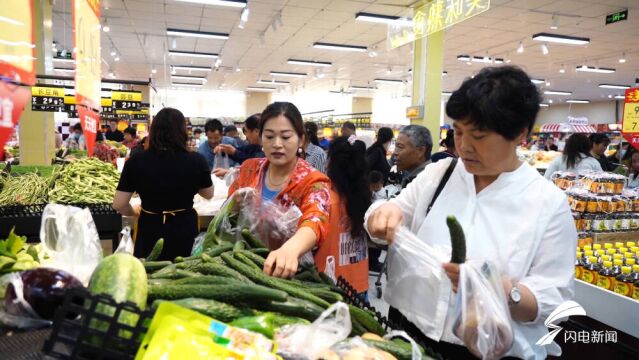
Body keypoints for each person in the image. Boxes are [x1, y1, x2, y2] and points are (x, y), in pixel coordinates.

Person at [365, 66, 576, 360]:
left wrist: (500, 288)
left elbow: (552, 302)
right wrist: (381, 213)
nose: (463, 146)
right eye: (458, 131)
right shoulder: (440, 174)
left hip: (484, 350)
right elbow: (391, 210)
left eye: (479, 135)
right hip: (406, 332)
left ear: (519, 135)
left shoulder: (547, 204)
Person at [229, 102, 331, 279]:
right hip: (243, 267)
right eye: (269, 136)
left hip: (290, 274)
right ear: (260, 138)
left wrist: (292, 249)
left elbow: (316, 219)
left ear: (301, 139)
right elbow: (229, 216)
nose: (277, 144)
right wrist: (234, 205)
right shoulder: (249, 169)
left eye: (285, 137)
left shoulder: (313, 181)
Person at [113, 108, 214, 260]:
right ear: (182, 132)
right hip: (184, 227)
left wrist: (133, 212)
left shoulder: (136, 161)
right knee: (185, 274)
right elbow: (208, 194)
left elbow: (119, 204)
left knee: (149, 273)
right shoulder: (196, 160)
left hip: (149, 226)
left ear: (153, 131)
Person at [314, 136, 371, 294]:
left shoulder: (323, 200)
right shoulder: (365, 198)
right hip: (359, 283)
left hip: (327, 285)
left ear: (330, 162)